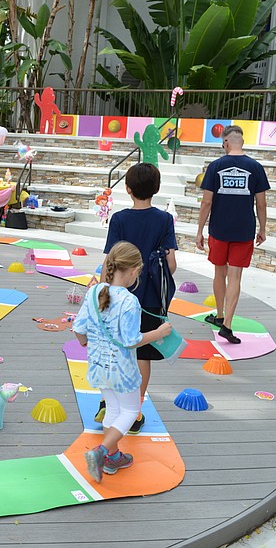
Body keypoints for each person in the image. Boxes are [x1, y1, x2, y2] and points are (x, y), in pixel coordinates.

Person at [72, 241, 171, 483]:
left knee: (113, 409)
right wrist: (159, 333)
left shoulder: (95, 292)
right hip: (123, 370)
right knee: (130, 410)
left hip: (97, 365)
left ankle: (112, 457)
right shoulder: (129, 301)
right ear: (135, 270)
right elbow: (130, 340)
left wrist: (87, 343)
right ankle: (101, 452)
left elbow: (78, 328)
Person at [100, 163, 177, 434]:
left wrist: (102, 292)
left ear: (128, 188)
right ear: (156, 189)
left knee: (117, 348)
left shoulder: (119, 219)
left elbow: (109, 260)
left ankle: (109, 403)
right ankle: (135, 411)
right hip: (151, 299)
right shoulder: (165, 220)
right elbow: (172, 264)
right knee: (142, 354)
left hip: (120, 297)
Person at [196, 125, 269, 344]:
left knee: (220, 272)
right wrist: (263, 228)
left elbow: (207, 201)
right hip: (244, 230)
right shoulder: (255, 167)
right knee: (235, 276)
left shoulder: (216, 166)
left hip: (219, 229)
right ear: (242, 142)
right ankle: (227, 324)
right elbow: (261, 203)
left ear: (226, 142)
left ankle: (219, 315)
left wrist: (199, 230)